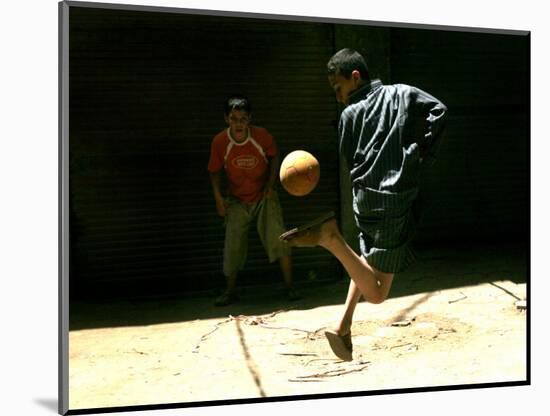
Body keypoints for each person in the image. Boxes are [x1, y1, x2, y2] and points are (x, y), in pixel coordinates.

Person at [283, 48, 447, 360]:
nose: (338, 96)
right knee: (377, 293)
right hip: (394, 199)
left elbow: (348, 157)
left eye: (338, 88)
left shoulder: (348, 116)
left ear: (355, 77)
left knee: (366, 262)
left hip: (365, 201)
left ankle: (342, 326)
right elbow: (439, 111)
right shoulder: (401, 94)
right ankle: (330, 238)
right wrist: (423, 151)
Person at [208, 95, 298, 306]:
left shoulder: (262, 136)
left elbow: (274, 155)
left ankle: (290, 287)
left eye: (243, 119)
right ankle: (230, 292)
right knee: (233, 247)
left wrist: (271, 183)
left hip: (264, 197)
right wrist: (218, 198)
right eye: (233, 119)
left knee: (280, 239)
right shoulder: (220, 142)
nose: (238, 124)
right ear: (226, 119)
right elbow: (214, 171)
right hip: (237, 200)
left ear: (250, 120)